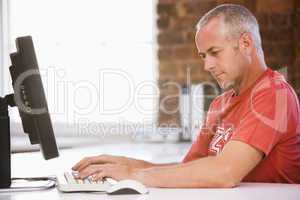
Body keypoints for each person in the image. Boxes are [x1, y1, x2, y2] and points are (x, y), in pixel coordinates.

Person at [72, 4, 300, 188]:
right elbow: (189, 170)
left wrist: (134, 173)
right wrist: (127, 165)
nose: (207, 65)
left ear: (246, 43)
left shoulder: (273, 94)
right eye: (203, 56)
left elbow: (225, 172)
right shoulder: (221, 103)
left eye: (214, 53)